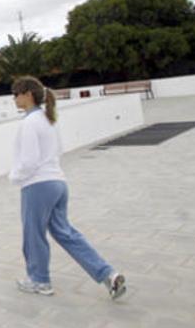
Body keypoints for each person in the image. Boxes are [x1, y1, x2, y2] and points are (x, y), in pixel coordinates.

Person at [10, 76, 126, 299]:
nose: (14, 98)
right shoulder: (48, 120)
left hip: (38, 186)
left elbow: (29, 161)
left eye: (17, 93)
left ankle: (39, 281)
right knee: (66, 233)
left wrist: (15, 177)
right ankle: (107, 274)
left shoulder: (28, 123)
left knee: (33, 235)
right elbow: (59, 150)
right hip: (58, 183)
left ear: (28, 95)